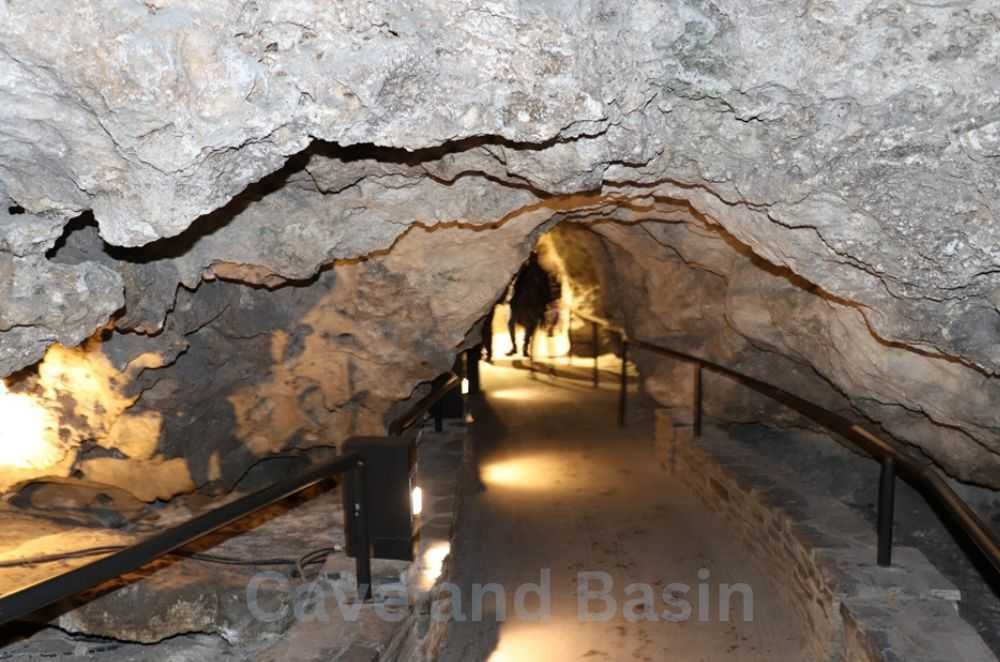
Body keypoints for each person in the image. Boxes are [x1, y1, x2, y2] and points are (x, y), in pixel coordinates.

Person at [506, 251, 561, 357]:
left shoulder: (525, 271)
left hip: (523, 303)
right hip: (532, 303)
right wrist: (546, 302)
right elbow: (546, 290)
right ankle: (524, 348)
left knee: (513, 323)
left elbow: (517, 286)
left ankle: (517, 347)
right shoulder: (539, 272)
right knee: (529, 326)